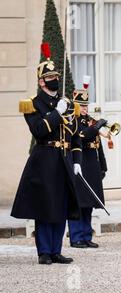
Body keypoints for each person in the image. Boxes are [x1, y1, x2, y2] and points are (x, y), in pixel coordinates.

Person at [11, 43, 82, 265]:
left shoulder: (66, 103)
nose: (55, 79)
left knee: (60, 205)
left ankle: (56, 250)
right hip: (44, 158)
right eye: (50, 76)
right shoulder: (32, 104)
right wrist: (56, 113)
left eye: (56, 75)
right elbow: (39, 130)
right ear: (41, 81)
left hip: (63, 158)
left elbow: (75, 134)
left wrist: (77, 160)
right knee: (44, 205)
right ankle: (44, 251)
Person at [68, 76, 107, 249]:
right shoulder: (71, 121)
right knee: (78, 201)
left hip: (92, 163)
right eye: (81, 105)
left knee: (89, 202)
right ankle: (75, 236)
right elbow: (81, 139)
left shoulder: (89, 121)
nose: (84, 108)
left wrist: (103, 166)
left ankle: (85, 235)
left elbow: (98, 146)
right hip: (79, 163)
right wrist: (94, 127)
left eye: (85, 105)